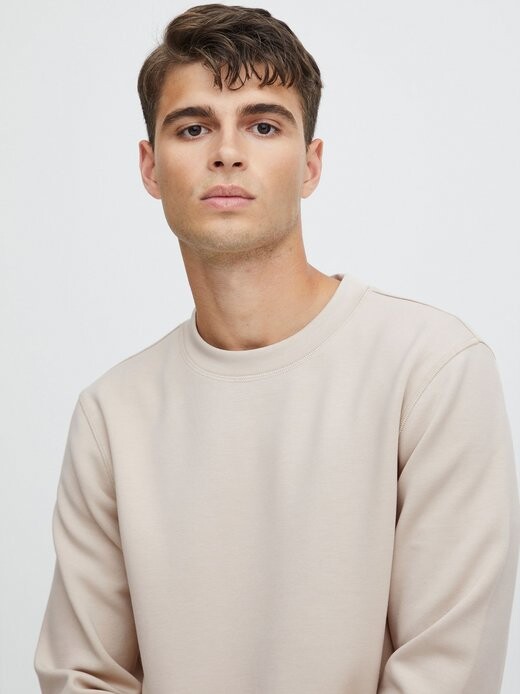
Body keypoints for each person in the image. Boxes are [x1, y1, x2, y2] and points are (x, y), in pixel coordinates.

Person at [34, 4, 519, 693]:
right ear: (150, 168)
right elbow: (84, 676)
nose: (227, 152)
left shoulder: (433, 371)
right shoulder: (112, 415)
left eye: (264, 125)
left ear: (311, 165)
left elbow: (448, 673)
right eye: (193, 127)